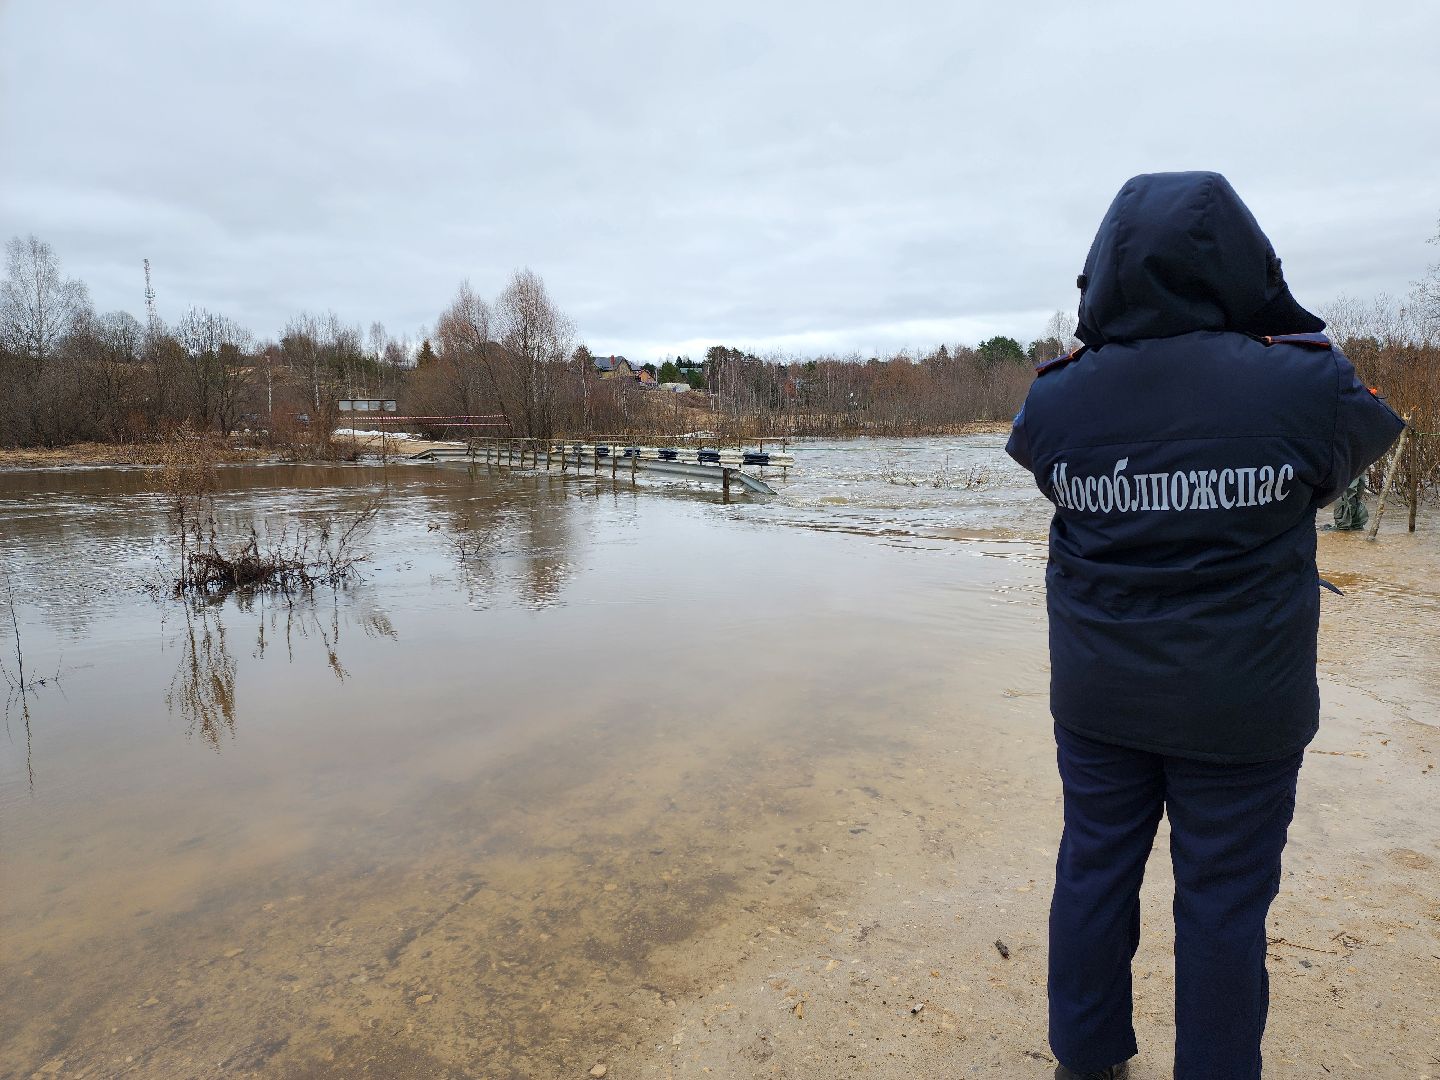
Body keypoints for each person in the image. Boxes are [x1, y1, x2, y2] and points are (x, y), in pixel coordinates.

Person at [1005, 171, 1404, 1080]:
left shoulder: (1060, 398)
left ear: (1102, 268)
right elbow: (1352, 450)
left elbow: (1043, 466)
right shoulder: (1304, 384)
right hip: (1243, 702)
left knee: (1094, 872)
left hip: (1101, 694)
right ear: (1242, 261)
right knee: (1224, 903)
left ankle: (1087, 1058)